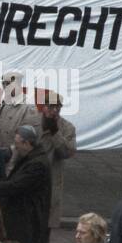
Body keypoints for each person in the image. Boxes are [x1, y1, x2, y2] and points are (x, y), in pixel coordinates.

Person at [0, 126, 52, 243]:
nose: (14, 148)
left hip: (25, 221)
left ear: (26, 143)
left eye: (17, 144)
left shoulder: (37, 164)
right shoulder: (31, 158)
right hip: (22, 218)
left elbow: (16, 186)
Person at [38, 96, 78, 229]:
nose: (54, 111)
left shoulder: (67, 128)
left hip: (52, 175)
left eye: (57, 107)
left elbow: (67, 152)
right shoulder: (33, 123)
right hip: (32, 172)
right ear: (43, 107)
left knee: (48, 222)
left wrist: (55, 133)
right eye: (50, 107)